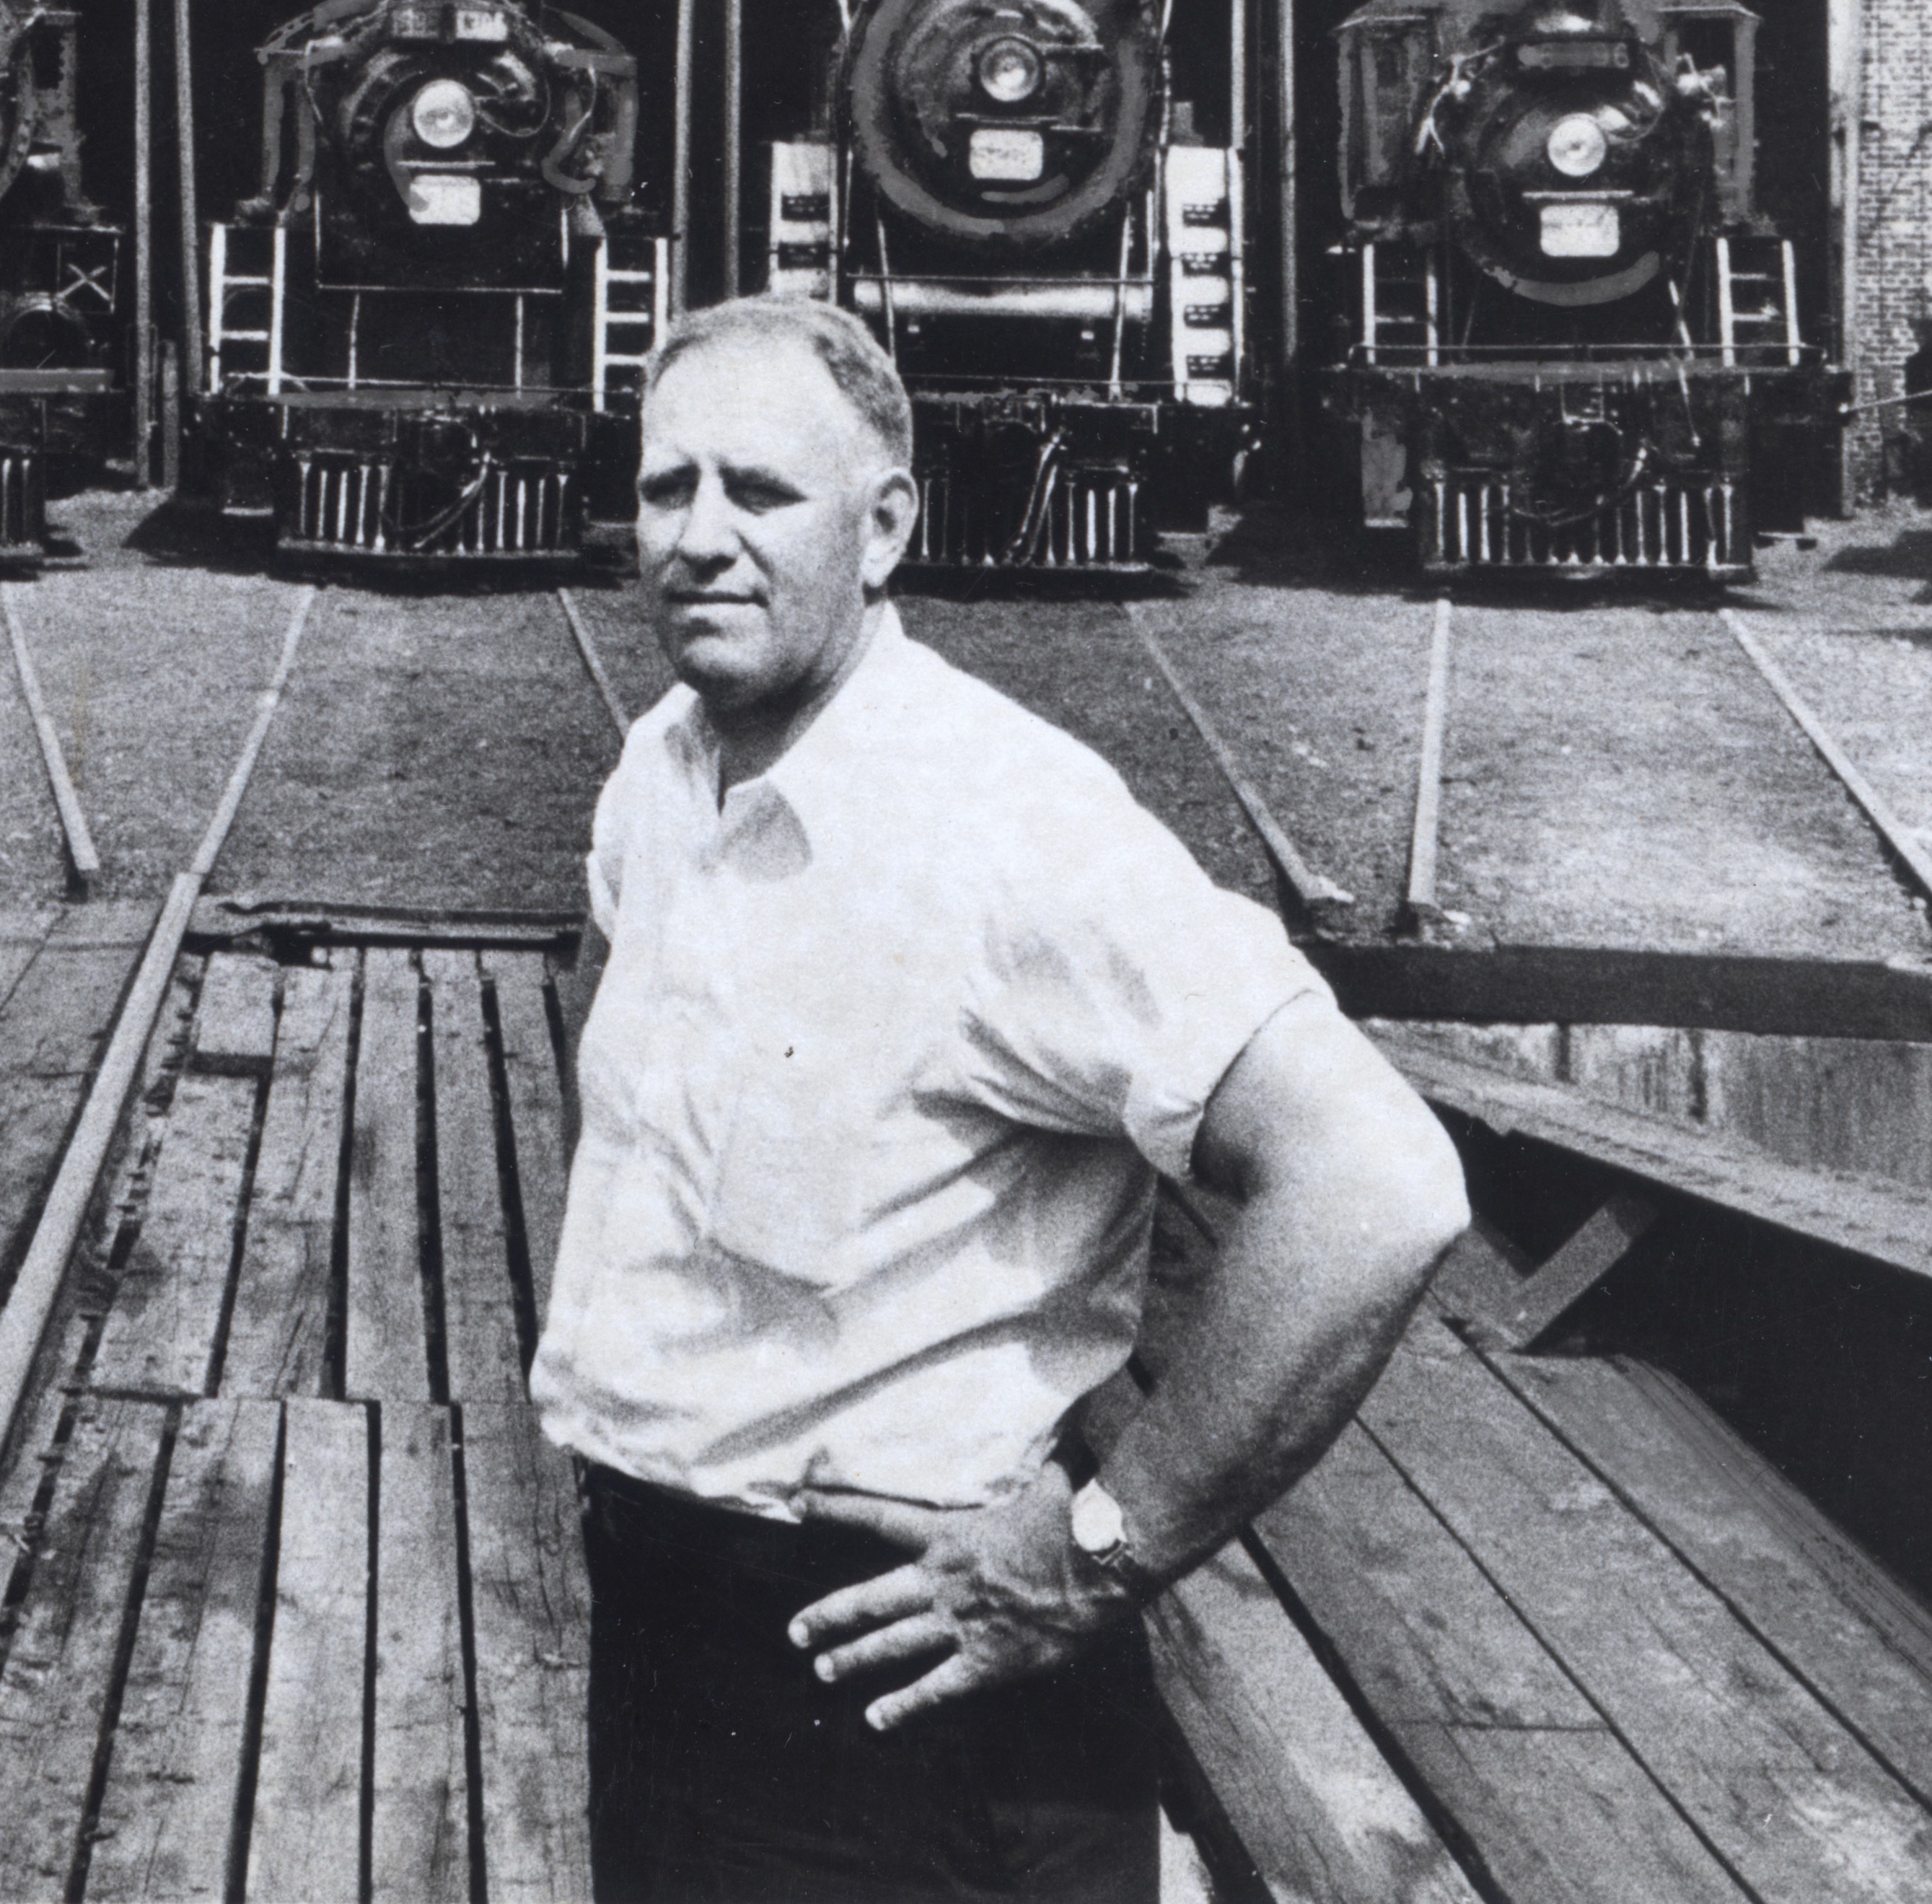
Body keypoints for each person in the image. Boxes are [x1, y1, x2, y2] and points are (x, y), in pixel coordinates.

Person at [537, 293, 1474, 1903]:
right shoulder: (662, 774)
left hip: (902, 1694)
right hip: (668, 1646)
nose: (696, 536)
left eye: (758, 492)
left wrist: (1103, 1545)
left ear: (883, 523)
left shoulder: (1004, 825)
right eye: (662, 486)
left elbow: (1379, 1184)